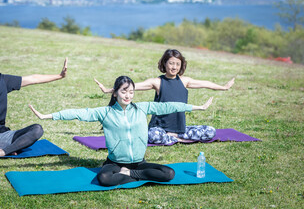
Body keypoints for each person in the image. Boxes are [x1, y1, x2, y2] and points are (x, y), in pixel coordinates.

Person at [29, 76, 213, 186]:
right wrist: (48, 116)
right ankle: (132, 175)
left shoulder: (141, 108)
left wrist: (197, 107)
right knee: (103, 177)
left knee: (169, 173)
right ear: (115, 93)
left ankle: (128, 175)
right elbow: (79, 113)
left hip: (138, 163)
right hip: (115, 162)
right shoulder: (106, 112)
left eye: (131, 92)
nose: (128, 96)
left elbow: (169, 106)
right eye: (124, 92)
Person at [94, 49, 235, 145]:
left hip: (180, 128)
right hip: (159, 129)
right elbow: (131, 86)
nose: (174, 67)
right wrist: (109, 90)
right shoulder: (158, 82)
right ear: (165, 64)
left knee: (211, 131)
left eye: (177, 64)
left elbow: (205, 83)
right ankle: (177, 139)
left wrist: (223, 87)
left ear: (181, 66)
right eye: (171, 63)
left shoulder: (184, 81)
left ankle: (175, 138)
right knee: (153, 136)